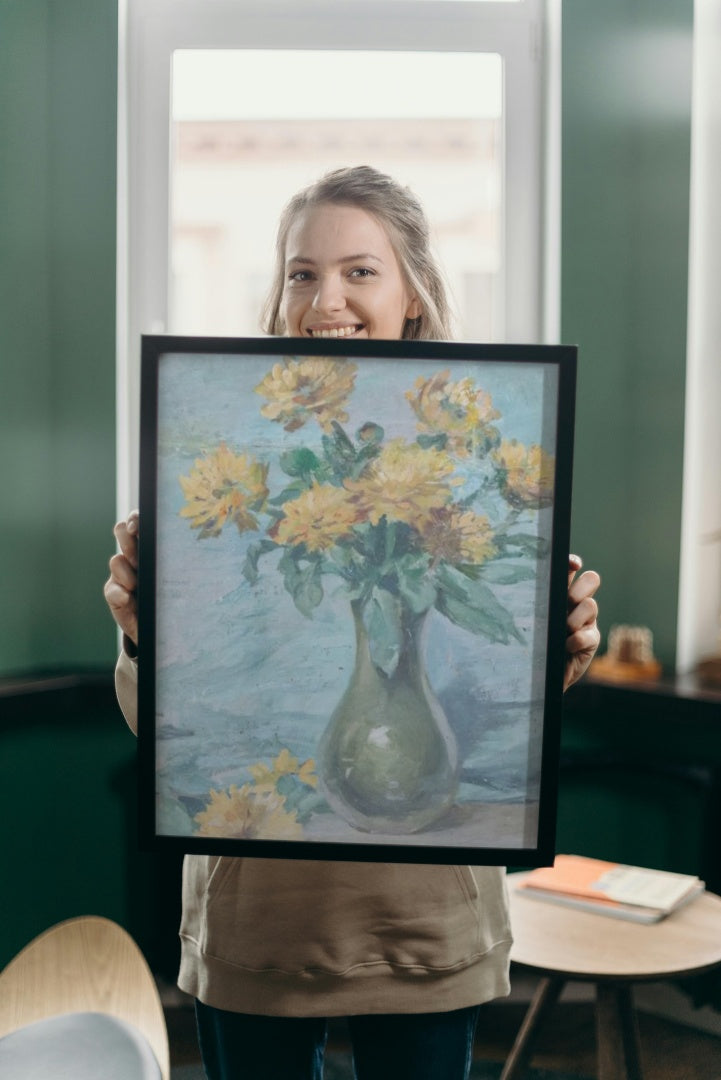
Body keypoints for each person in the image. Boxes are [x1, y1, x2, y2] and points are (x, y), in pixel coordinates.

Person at [105, 166, 601, 1080]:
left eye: (359, 271)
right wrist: (142, 636)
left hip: (423, 916)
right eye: (301, 272)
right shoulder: (223, 458)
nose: (324, 298)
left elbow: (501, 700)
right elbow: (166, 731)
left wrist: (557, 649)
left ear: (412, 292)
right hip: (258, 918)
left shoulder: (480, 455)